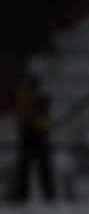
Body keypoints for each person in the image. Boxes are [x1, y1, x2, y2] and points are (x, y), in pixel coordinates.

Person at [12, 72, 55, 202]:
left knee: (41, 167)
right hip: (29, 133)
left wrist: (40, 127)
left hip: (37, 134)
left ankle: (47, 194)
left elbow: (44, 118)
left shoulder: (41, 99)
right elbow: (22, 117)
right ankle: (23, 195)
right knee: (25, 167)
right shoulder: (24, 98)